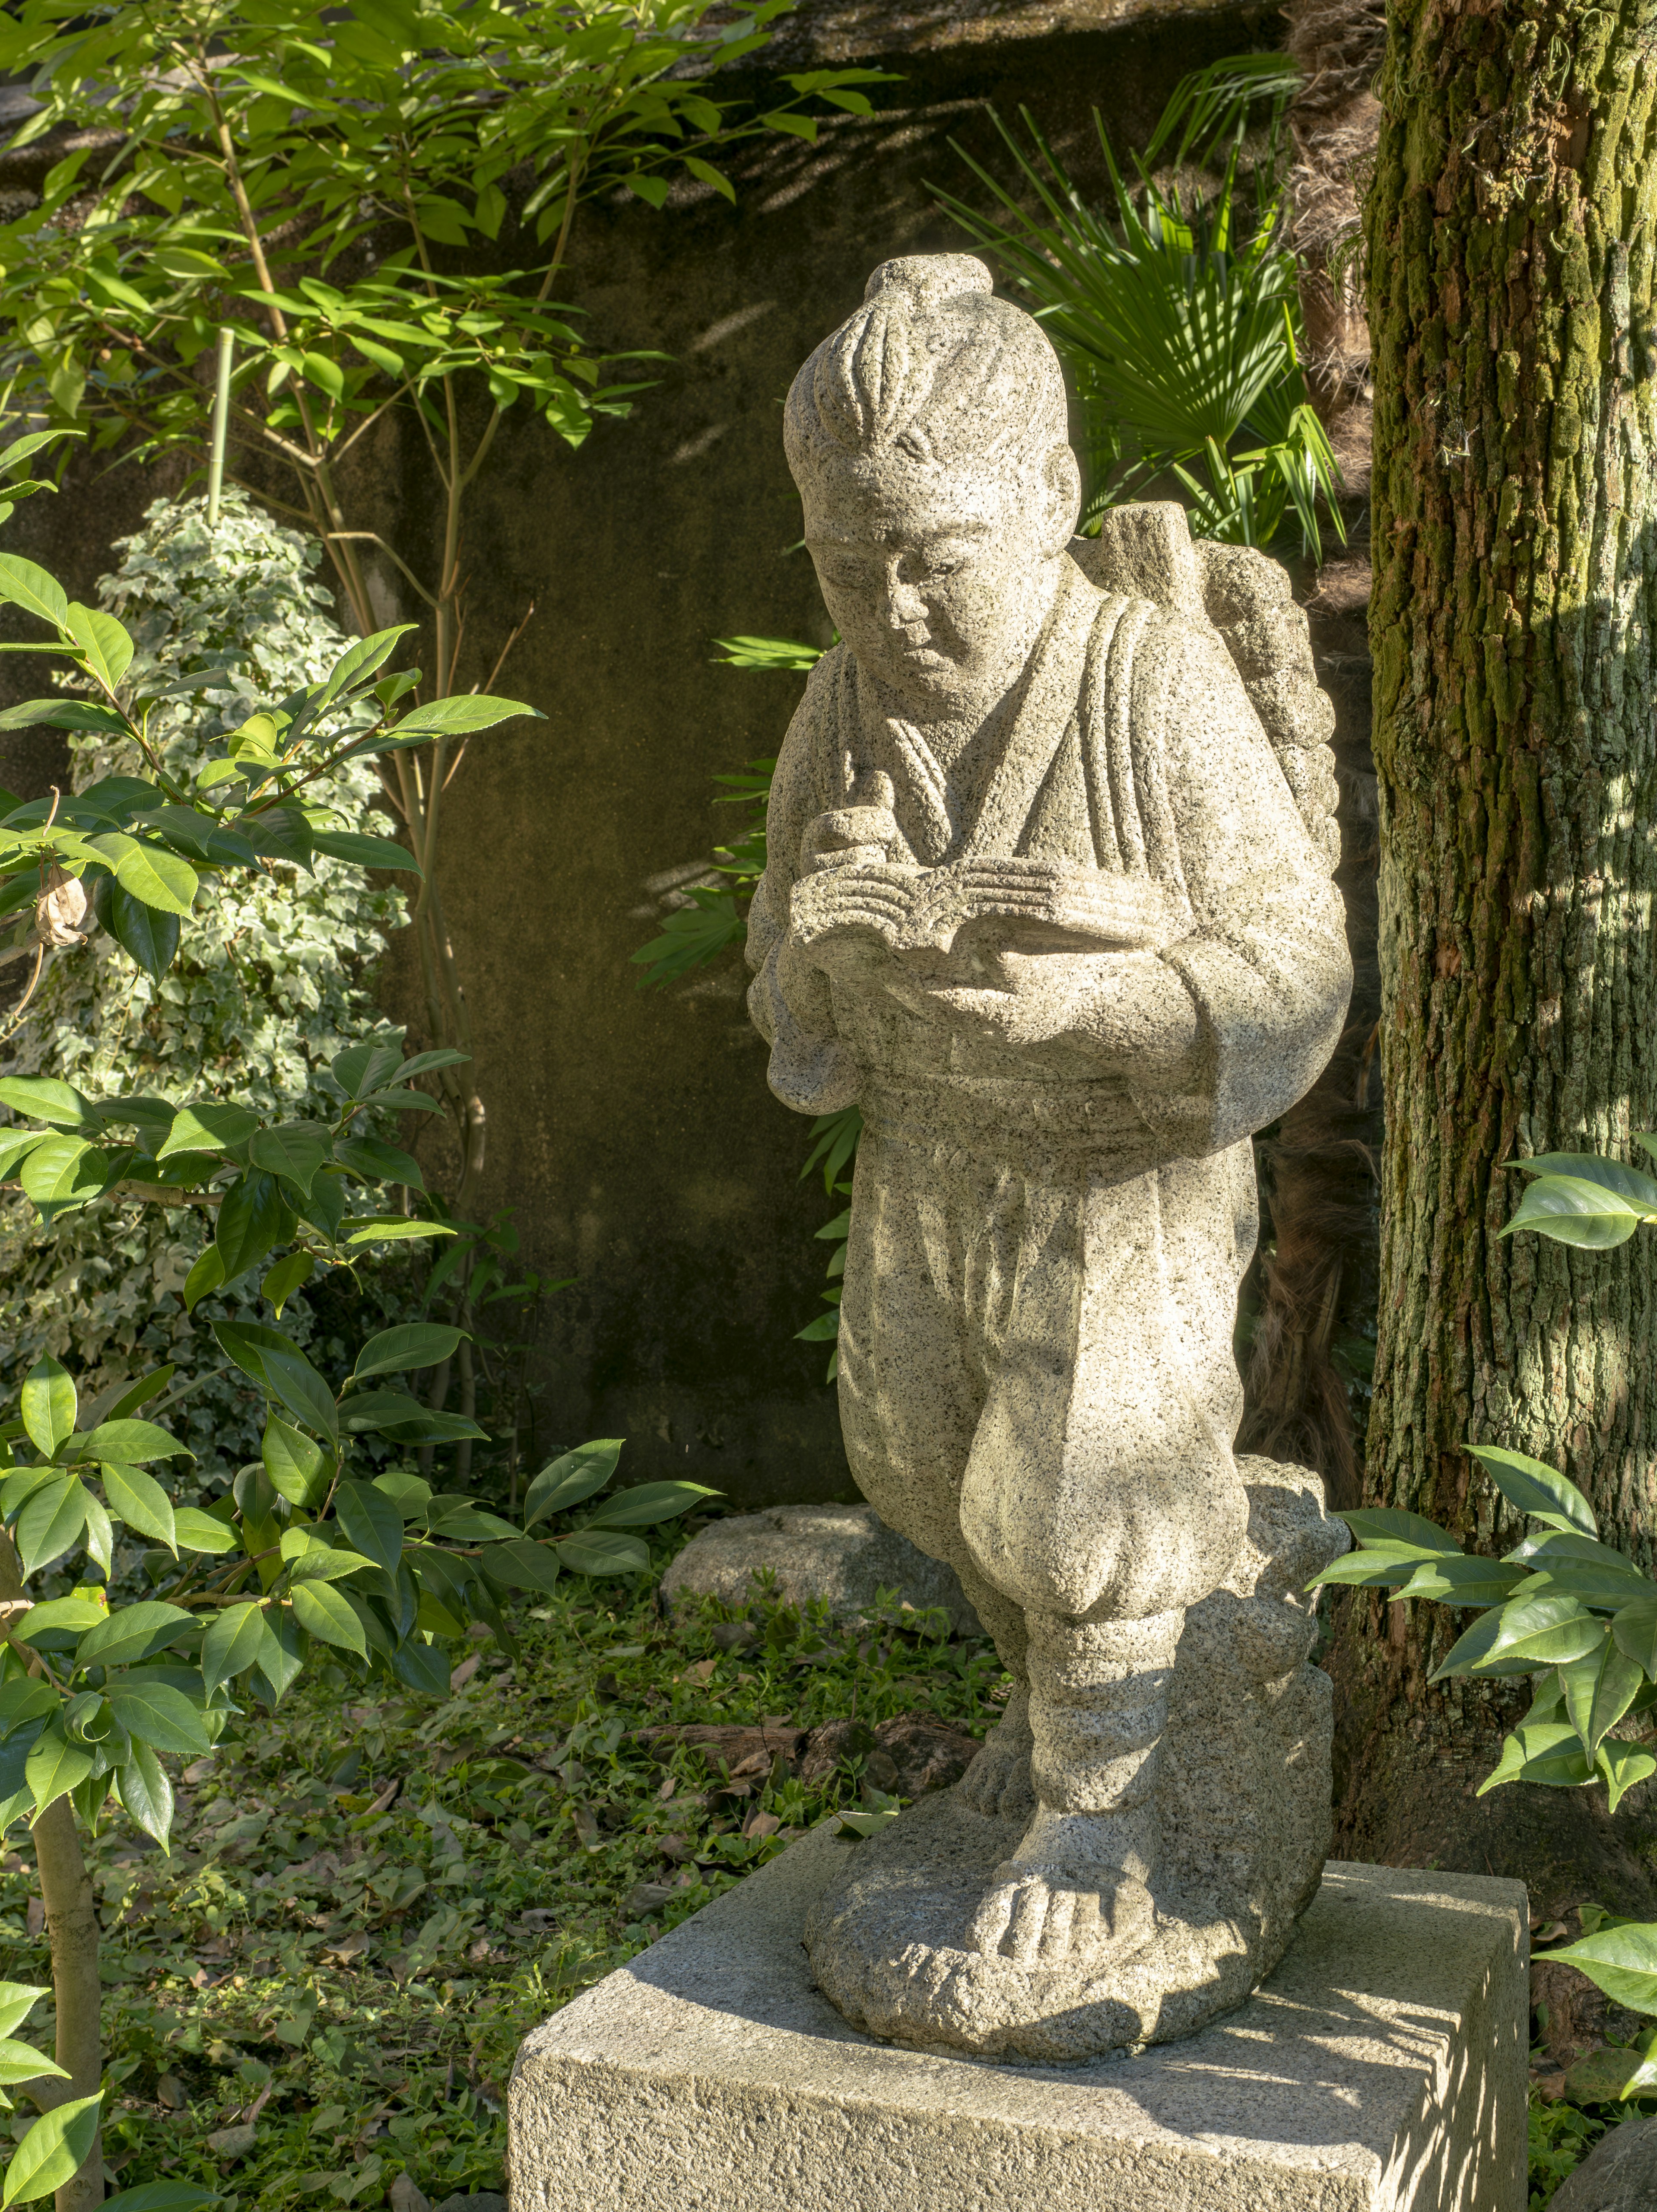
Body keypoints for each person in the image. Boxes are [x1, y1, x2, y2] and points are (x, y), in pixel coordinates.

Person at [746, 253, 1352, 1969]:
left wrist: (1105, 997)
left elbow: (1299, 961)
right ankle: (1070, 1713)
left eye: (934, 560)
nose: (896, 613)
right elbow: (782, 990)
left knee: (1087, 1486)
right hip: (929, 1161)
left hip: (1120, 1179)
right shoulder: (842, 708)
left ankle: (1101, 1817)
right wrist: (818, 946)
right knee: (927, 1462)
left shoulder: (1147, 681)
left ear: (1051, 502)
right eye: (848, 568)